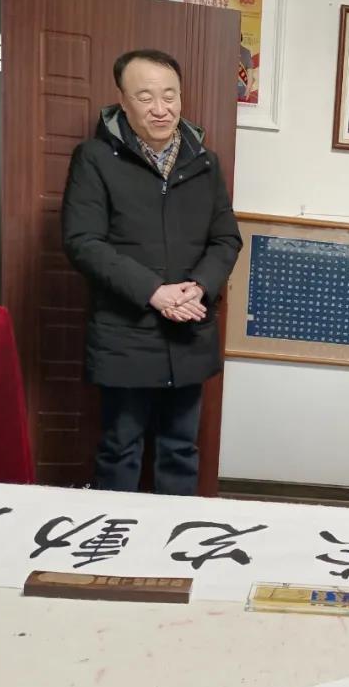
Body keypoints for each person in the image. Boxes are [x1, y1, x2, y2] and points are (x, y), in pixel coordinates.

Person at [62, 49, 242, 495]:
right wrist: (153, 292)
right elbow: (83, 242)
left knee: (181, 450)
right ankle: (113, 537)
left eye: (169, 95)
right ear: (123, 101)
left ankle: (173, 538)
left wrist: (199, 287)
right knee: (120, 449)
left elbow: (226, 239)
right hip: (125, 331)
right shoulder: (95, 158)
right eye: (145, 97)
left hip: (189, 329)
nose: (160, 109)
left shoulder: (205, 162)